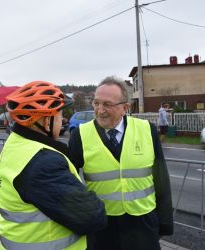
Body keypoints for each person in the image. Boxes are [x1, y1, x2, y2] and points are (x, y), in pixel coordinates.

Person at [0, 81, 107, 250]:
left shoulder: (15, 145)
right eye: (59, 114)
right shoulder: (42, 163)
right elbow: (92, 217)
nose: (62, 119)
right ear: (44, 120)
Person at [69, 76, 173, 250]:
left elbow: (161, 180)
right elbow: (69, 184)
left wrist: (164, 223)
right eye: (96, 103)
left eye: (107, 105)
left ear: (125, 107)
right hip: (101, 227)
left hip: (143, 223)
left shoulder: (147, 130)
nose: (100, 110)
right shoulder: (79, 136)